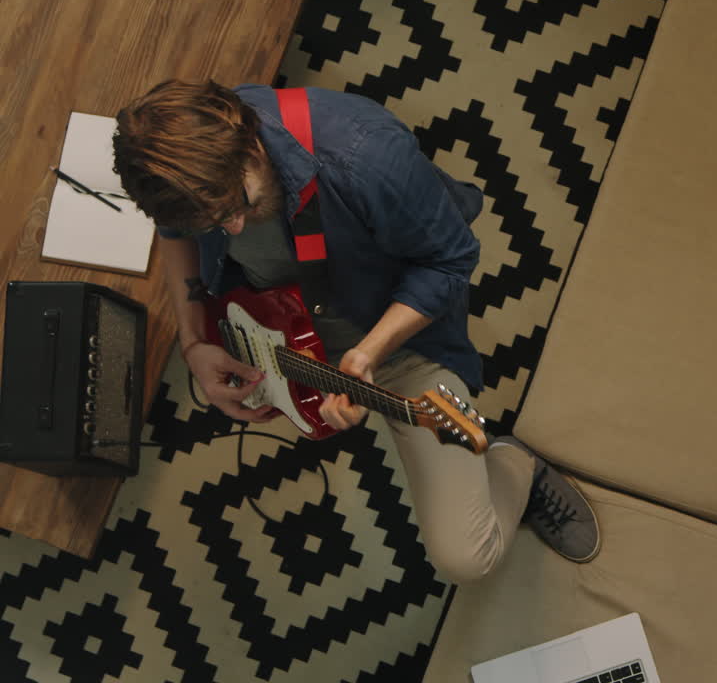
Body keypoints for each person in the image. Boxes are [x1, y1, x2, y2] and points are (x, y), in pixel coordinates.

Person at [111, 79, 599, 581]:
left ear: (248, 141)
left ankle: (515, 464)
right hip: (278, 315)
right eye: (213, 223)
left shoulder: (366, 152)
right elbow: (174, 232)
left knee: (465, 558)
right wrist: (193, 342)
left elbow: (452, 261)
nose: (233, 228)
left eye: (237, 204)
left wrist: (367, 355)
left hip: (396, 334)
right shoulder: (185, 168)